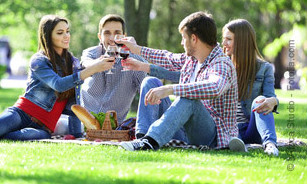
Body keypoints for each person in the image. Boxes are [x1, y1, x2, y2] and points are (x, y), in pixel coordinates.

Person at [0, 15, 113, 141]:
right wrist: (92, 69)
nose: (66, 36)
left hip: (44, 129)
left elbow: (74, 103)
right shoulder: (39, 61)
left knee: (15, 137)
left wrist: (77, 134)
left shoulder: (71, 63)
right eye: (60, 32)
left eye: (67, 31)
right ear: (48, 36)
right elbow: (58, 84)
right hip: (22, 113)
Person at [118, 11, 238, 151]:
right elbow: (167, 57)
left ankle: (150, 142)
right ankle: (142, 139)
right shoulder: (192, 59)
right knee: (150, 82)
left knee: (190, 98)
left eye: (183, 38)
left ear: (194, 39)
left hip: (212, 136)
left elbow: (215, 87)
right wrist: (137, 49)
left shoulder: (221, 64)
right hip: (184, 130)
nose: (182, 43)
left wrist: (170, 89)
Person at [80, 14, 179, 124]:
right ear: (100, 36)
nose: (112, 38)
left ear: (124, 36)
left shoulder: (134, 61)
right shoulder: (92, 53)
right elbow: (85, 63)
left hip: (115, 125)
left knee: (152, 84)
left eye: (117, 33)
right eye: (107, 33)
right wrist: (96, 65)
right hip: (85, 121)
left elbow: (149, 88)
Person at [222, 19, 279, 156]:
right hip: (229, 129)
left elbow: (271, 97)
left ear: (242, 42)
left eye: (228, 39)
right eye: (224, 39)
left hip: (252, 129)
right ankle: (237, 143)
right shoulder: (221, 66)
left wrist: (274, 101)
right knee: (232, 136)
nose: (224, 44)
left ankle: (270, 145)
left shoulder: (264, 69)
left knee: (260, 100)